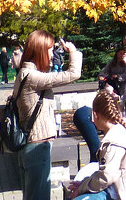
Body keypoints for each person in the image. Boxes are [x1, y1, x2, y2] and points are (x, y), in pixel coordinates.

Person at [14, 30, 83, 200]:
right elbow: (73, 74)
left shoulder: (25, 74)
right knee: (39, 196)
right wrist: (73, 52)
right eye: (50, 49)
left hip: (33, 144)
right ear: (40, 51)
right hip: (37, 145)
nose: (53, 54)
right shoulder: (32, 77)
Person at [70, 91, 126, 200]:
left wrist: (81, 188)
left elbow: (106, 177)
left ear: (94, 115)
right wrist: (84, 183)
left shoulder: (113, 143)